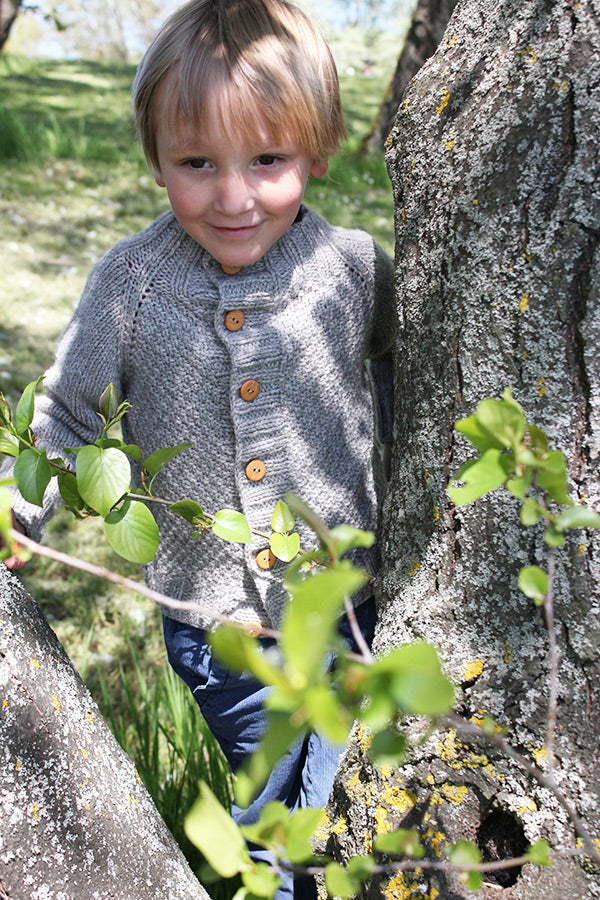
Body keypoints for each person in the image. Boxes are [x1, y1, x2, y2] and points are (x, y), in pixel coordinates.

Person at [1, 0, 395, 895]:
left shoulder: (351, 267)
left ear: (318, 150)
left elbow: (405, 359)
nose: (233, 197)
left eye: (267, 159)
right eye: (197, 163)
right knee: (281, 828)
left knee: (345, 806)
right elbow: (66, 414)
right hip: (224, 635)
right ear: (155, 160)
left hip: (352, 606)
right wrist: (18, 504)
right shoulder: (131, 284)